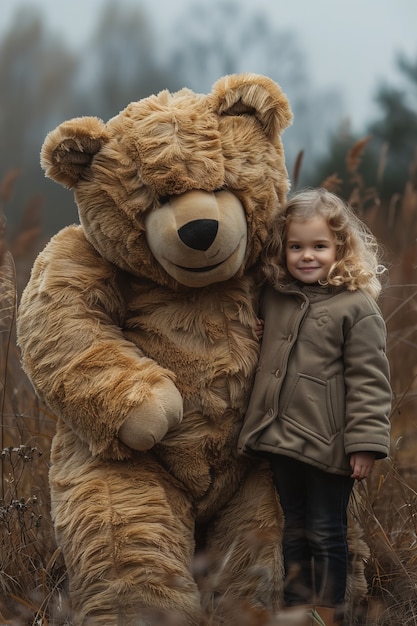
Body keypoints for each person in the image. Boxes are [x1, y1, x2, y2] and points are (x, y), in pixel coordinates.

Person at [238, 188, 392, 626]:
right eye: (296, 246)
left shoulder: (355, 307)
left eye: (319, 246)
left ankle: (330, 614)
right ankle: (296, 612)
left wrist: (364, 443)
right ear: (282, 249)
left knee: (327, 533)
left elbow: (370, 382)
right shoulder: (274, 296)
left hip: (331, 446)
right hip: (283, 441)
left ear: (340, 248)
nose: (307, 256)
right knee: (294, 531)